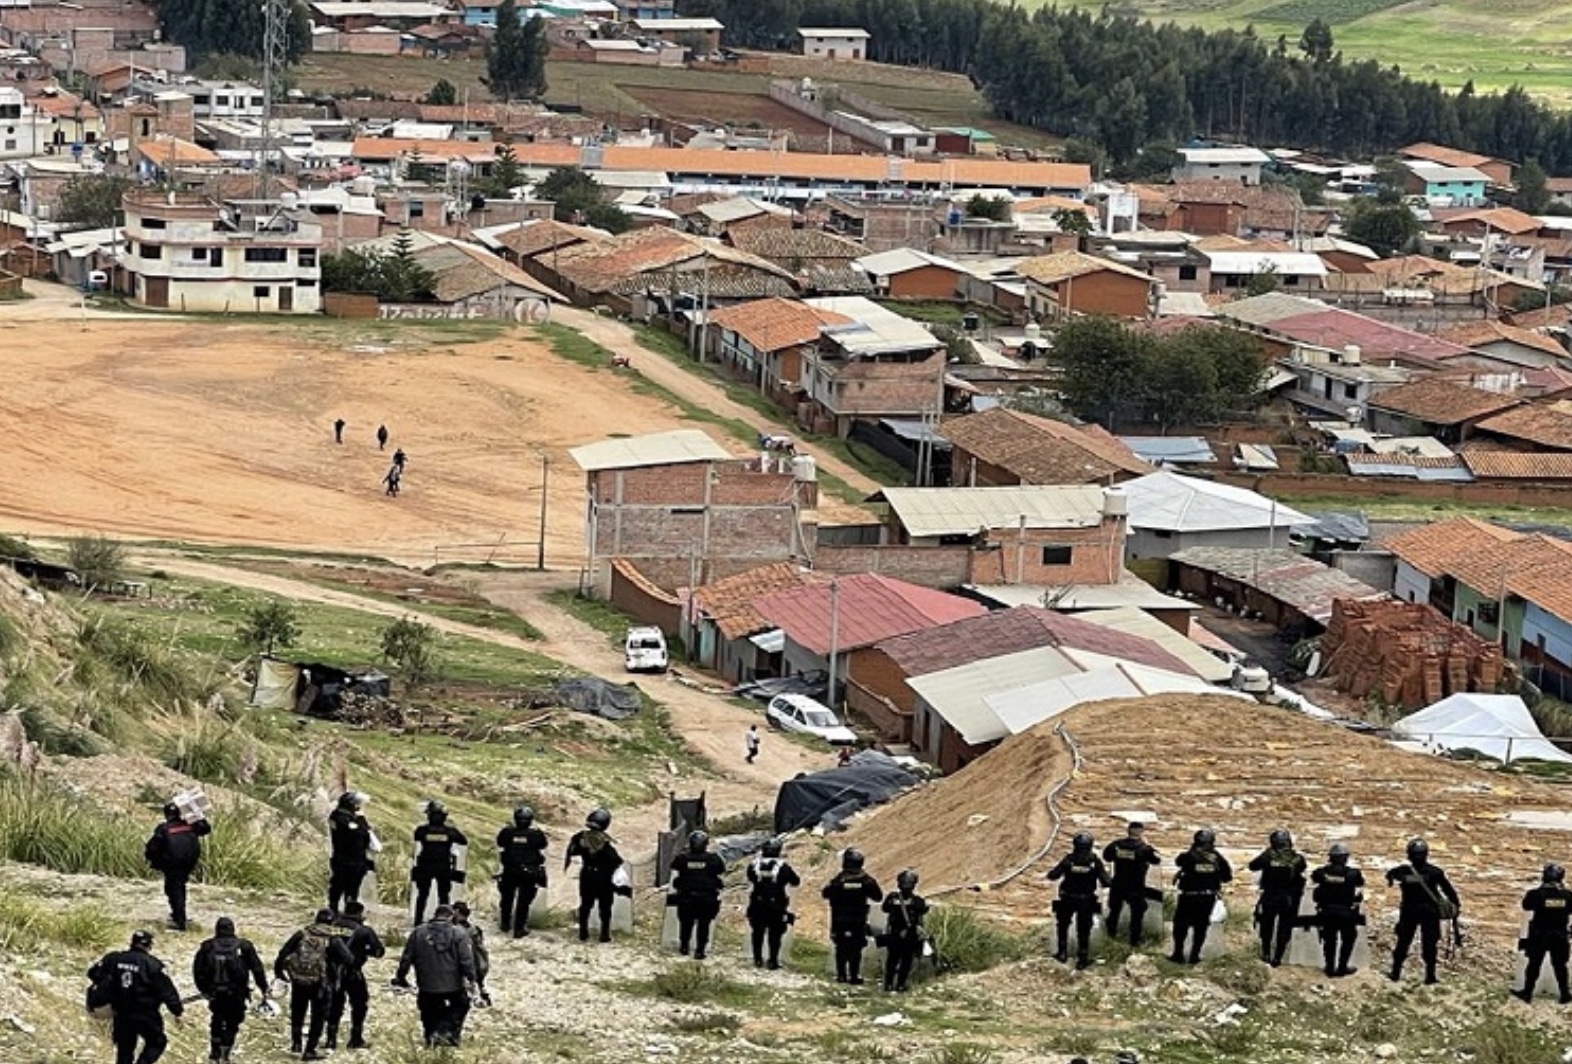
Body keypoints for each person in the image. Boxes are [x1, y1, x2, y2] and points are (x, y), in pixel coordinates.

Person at [88, 930, 184, 1064]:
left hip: (121, 1013)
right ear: (149, 945)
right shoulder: (153, 965)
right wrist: (177, 1010)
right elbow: (167, 991)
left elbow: (93, 974)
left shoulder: (114, 958)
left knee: (125, 1050)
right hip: (146, 1014)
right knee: (157, 1042)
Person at [274, 908, 354, 1061]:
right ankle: (310, 1049)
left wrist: (280, 973)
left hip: (299, 980)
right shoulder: (333, 938)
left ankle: (296, 1043)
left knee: (298, 1010)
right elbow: (349, 959)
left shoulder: (302, 934)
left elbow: (283, 953)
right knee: (318, 1016)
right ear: (332, 921)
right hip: (322, 983)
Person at [392, 904, 477, 1048]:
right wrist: (471, 978)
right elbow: (466, 960)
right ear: (451, 916)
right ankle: (447, 1033)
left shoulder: (418, 932)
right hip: (453, 984)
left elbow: (406, 958)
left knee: (428, 1010)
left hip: (427, 983)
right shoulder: (459, 934)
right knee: (461, 1005)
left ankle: (431, 1037)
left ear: (435, 915)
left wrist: (401, 977)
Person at [191, 917, 268, 1064]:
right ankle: (225, 1054)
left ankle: (215, 1051)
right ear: (233, 929)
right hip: (237, 993)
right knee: (233, 1022)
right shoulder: (244, 946)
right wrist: (263, 987)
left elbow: (197, 970)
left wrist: (204, 990)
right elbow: (257, 969)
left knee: (217, 1018)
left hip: (215, 993)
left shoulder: (207, 946)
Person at [1385, 837, 1461, 985]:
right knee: (1430, 944)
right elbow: (1449, 891)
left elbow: (1390, 875)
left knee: (1403, 942)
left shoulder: (1402, 871)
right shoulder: (1435, 872)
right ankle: (1430, 976)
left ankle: (1395, 973)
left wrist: (1391, 880)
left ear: (1409, 854)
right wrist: (1456, 906)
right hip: (1429, 912)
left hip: (1409, 911)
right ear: (1426, 854)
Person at [326, 900, 385, 1052]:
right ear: (360, 913)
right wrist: (364, 950)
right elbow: (379, 951)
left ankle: (330, 1040)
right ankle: (355, 1038)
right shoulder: (364, 931)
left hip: (332, 972)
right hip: (353, 973)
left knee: (334, 1006)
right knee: (359, 1005)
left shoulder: (332, 928)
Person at [1046, 832, 1111, 970]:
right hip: (1086, 899)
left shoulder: (1069, 860)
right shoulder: (1094, 862)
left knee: (1062, 925)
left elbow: (1053, 875)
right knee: (1084, 929)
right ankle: (1082, 958)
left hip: (1067, 897)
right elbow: (1106, 882)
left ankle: (1062, 953)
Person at [144, 801, 211, 931]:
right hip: (189, 862)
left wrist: (153, 860)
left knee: (173, 889)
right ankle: (179, 915)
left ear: (166, 814)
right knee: (180, 887)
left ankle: (179, 920)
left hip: (172, 864)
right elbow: (206, 828)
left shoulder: (164, 828)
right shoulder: (190, 826)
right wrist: (197, 814)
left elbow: (152, 847)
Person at [1171, 829, 1233, 966]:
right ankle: (1194, 956)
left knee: (1181, 925)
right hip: (1207, 897)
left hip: (1188, 897)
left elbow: (1178, 861)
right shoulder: (1217, 858)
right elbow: (1227, 877)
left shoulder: (1189, 856)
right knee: (1201, 927)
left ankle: (1178, 954)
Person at [822, 848, 883, 985]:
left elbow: (826, 893)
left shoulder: (839, 880)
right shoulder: (866, 880)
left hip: (839, 919)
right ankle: (854, 976)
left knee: (841, 947)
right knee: (856, 948)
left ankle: (842, 975)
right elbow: (878, 897)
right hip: (858, 919)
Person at [1248, 829, 1308, 967]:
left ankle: (1266, 953)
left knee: (1266, 925)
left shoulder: (1268, 856)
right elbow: (1302, 871)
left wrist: (1267, 853)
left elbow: (1252, 866)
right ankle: (1278, 957)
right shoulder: (1298, 859)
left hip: (1270, 895)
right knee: (1285, 927)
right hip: (1290, 898)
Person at [1514, 863, 1572, 1004]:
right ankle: (1565, 994)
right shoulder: (1568, 895)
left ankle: (1527, 992)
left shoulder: (1536, 894)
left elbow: (1526, 905)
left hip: (1539, 934)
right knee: (1560, 966)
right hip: (1560, 935)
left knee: (1534, 964)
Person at [565, 807, 624, 943]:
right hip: (603, 878)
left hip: (587, 874)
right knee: (605, 906)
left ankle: (583, 932)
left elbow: (573, 851)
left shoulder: (581, 838)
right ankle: (604, 933)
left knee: (585, 904)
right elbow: (616, 861)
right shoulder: (605, 842)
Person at [668, 830, 726, 959]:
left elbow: (675, 874)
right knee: (704, 924)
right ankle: (700, 950)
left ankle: (684, 947)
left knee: (685, 923)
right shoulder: (713, 859)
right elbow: (721, 872)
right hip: (707, 897)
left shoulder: (682, 858)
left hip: (686, 897)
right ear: (706, 844)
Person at [1310, 842, 1365, 978]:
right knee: (1348, 939)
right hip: (1346, 912)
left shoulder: (1321, 873)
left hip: (1327, 911)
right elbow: (1360, 883)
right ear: (1345, 858)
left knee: (1329, 940)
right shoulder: (1353, 874)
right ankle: (1341, 968)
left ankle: (1329, 968)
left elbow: (1314, 877)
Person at [411, 801, 468, 926]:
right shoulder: (450, 832)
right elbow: (463, 841)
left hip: (425, 867)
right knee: (443, 896)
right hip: (444, 867)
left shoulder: (422, 831)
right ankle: (445, 920)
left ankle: (417, 920)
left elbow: (416, 840)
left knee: (422, 895)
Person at [1104, 821, 1161, 947]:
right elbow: (1156, 860)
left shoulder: (1116, 845)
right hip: (1136, 886)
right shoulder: (1144, 848)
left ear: (1128, 831)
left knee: (1114, 911)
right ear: (1141, 832)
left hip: (1118, 884)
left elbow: (1106, 857)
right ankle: (1134, 940)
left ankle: (1109, 936)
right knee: (1137, 914)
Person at [496, 805, 548, 939]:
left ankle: (505, 923)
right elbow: (543, 845)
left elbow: (500, 843)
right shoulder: (535, 834)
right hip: (528, 872)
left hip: (510, 870)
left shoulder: (507, 832)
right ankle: (519, 928)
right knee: (523, 901)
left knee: (507, 898)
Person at [747, 838, 800, 970]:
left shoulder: (754, 865)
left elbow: (750, 877)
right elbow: (795, 881)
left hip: (757, 904)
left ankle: (757, 959)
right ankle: (772, 960)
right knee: (775, 933)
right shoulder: (783, 867)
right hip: (777, 905)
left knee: (757, 932)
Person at [328, 791, 376, 914]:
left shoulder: (340, 816)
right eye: (357, 804)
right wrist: (361, 821)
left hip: (350, 859)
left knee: (349, 888)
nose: (358, 807)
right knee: (342, 886)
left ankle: (347, 910)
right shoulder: (341, 818)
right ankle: (335, 910)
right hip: (348, 859)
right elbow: (361, 834)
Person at [881, 869, 928, 992]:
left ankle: (888, 984)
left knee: (892, 960)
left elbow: (885, 908)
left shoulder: (892, 898)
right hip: (909, 934)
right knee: (906, 961)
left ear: (899, 883)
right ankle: (900, 984)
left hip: (894, 933)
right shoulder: (918, 901)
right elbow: (923, 911)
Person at [452, 903, 491, 1006]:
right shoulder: (475, 929)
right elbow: (481, 947)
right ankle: (482, 992)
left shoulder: (456, 930)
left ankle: (475, 997)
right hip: (477, 962)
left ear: (457, 912)